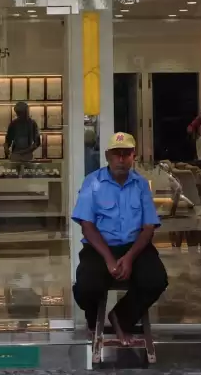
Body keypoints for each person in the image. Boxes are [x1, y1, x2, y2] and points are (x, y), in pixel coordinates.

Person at [71, 132, 168, 345]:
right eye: (116, 154)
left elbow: (148, 227)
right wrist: (109, 260)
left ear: (133, 156)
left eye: (126, 154)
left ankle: (122, 318)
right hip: (100, 247)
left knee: (156, 280)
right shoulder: (93, 182)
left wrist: (129, 258)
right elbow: (87, 226)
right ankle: (92, 319)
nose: (121, 159)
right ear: (108, 156)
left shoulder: (141, 184)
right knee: (86, 286)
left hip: (135, 246)